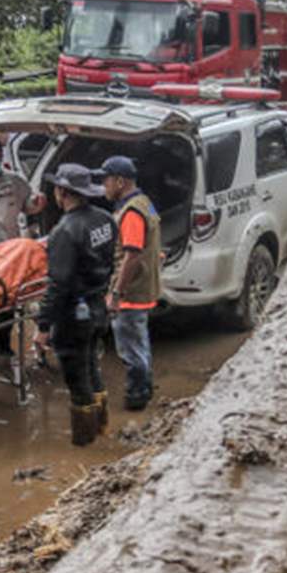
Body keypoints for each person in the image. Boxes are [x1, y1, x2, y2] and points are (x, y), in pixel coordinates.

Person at [36, 165, 116, 445]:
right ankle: (102, 427)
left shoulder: (65, 231)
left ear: (62, 192)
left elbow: (58, 284)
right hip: (98, 306)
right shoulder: (105, 219)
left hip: (74, 314)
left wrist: (43, 325)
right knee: (92, 365)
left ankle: (85, 442)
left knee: (76, 376)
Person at [101, 156, 160, 411]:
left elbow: (131, 254)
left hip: (131, 291)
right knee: (139, 341)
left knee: (130, 348)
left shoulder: (131, 213)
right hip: (144, 286)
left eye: (106, 180)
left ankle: (137, 396)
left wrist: (116, 293)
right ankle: (146, 387)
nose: (103, 186)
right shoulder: (144, 203)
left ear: (120, 181)